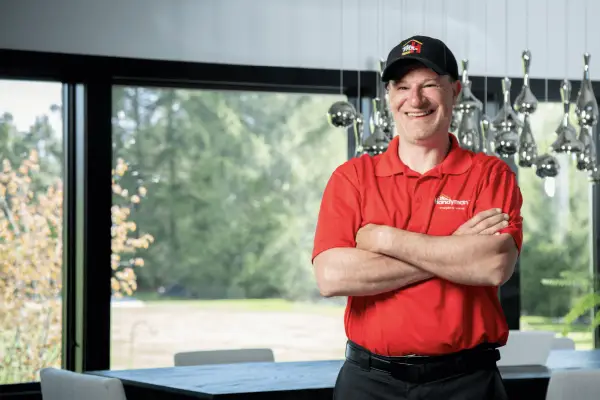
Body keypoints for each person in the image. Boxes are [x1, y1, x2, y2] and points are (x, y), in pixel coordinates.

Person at [312, 35, 523, 400]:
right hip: (368, 383)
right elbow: (332, 276)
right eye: (403, 86)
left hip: (467, 383)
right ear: (389, 97)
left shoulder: (491, 175)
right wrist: (455, 250)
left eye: (429, 85)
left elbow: (492, 265)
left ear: (455, 91)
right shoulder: (352, 178)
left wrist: (385, 239)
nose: (416, 99)